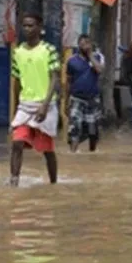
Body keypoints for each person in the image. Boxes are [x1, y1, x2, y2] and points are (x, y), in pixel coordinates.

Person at [9, 13, 61, 187]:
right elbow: (16, 81)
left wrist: (45, 106)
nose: (27, 29)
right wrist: (15, 108)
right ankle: (14, 181)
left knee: (46, 149)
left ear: (39, 27)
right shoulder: (18, 52)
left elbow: (55, 78)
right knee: (17, 142)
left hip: (44, 104)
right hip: (25, 105)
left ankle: (53, 183)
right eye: (24, 26)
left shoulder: (49, 50)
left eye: (31, 26)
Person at [65, 34, 104, 153]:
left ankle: (92, 153)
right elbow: (68, 81)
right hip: (76, 98)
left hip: (93, 99)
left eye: (87, 43)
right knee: (74, 129)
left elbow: (99, 70)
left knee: (93, 131)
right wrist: (67, 101)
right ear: (78, 45)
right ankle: (73, 153)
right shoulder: (72, 61)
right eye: (82, 44)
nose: (85, 46)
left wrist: (90, 55)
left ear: (91, 44)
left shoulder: (98, 57)